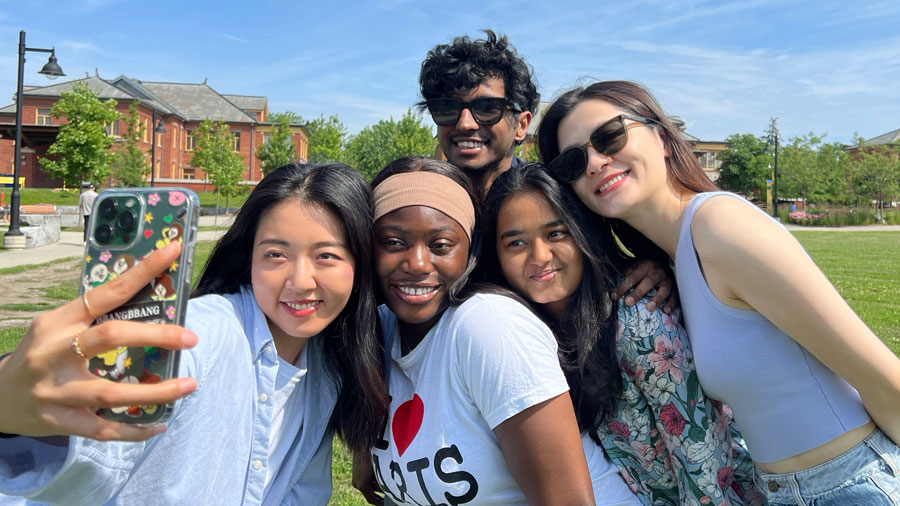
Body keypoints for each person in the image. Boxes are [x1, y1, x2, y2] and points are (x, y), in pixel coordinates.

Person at [537, 80, 900, 505]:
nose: (595, 163)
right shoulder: (677, 258)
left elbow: (884, 379)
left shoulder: (720, 226)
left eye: (610, 136)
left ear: (662, 137)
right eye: (572, 162)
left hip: (853, 483)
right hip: (783, 492)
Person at [0, 163, 387, 505]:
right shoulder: (198, 335)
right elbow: (95, 453)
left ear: (358, 269)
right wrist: (16, 411)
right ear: (248, 256)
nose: (300, 281)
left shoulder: (327, 369)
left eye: (327, 256)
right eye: (275, 254)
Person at [355, 156, 639, 506]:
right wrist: (362, 448)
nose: (417, 264)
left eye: (441, 245)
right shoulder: (377, 334)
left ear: (470, 252)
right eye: (393, 242)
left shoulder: (488, 326)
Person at [483, 163, 764, 505]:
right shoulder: (516, 332)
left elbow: (704, 462)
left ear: (582, 232)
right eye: (516, 243)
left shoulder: (637, 320)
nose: (540, 256)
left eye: (557, 233)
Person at [418, 29, 676, 315]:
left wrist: (656, 266)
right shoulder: (420, 207)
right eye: (446, 109)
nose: (465, 123)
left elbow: (610, 253)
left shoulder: (560, 194)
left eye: (487, 107)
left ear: (521, 124)